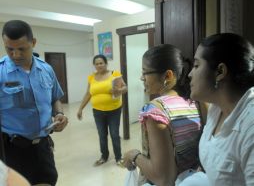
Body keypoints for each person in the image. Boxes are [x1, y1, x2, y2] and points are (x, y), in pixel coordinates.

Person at [0, 20, 68, 186]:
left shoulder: (46, 69)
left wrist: (59, 114)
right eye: (10, 49)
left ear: (33, 43)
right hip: (11, 150)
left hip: (42, 146)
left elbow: (54, 98)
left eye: (21, 49)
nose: (15, 55)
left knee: (48, 180)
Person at [123, 44, 202, 186]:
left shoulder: (155, 110)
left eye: (145, 72)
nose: (142, 78)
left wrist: (134, 155)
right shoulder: (194, 102)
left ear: (168, 75)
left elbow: (163, 178)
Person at [185, 33, 254, 186]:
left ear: (220, 72)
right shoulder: (216, 109)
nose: (190, 74)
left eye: (196, 66)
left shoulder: (250, 125)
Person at [77, 54, 127, 166]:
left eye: (101, 63)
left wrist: (118, 90)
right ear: (94, 65)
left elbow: (125, 87)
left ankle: (119, 158)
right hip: (98, 111)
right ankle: (104, 156)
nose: (99, 65)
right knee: (102, 134)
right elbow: (88, 94)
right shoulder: (91, 77)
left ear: (106, 63)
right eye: (97, 63)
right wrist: (80, 108)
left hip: (114, 110)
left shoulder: (115, 74)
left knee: (114, 134)